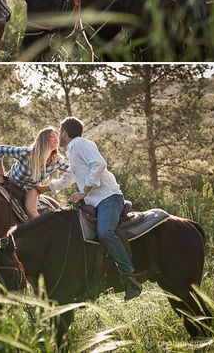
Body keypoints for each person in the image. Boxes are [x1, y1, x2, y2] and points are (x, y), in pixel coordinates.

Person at [36, 116, 142, 301]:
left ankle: (129, 276)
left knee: (105, 232)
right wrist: (42, 189)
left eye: (60, 132)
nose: (59, 135)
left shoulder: (80, 144)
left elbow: (99, 164)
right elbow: (67, 179)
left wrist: (84, 192)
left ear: (65, 134)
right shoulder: (73, 150)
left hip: (109, 198)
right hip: (95, 202)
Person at [0, 127, 69, 220]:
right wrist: (1, 174)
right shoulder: (25, 153)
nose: (56, 138)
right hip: (12, 182)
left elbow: (73, 171)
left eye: (57, 136)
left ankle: (40, 232)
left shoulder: (57, 160)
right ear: (43, 140)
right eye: (51, 136)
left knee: (32, 211)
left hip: (32, 188)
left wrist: (51, 186)